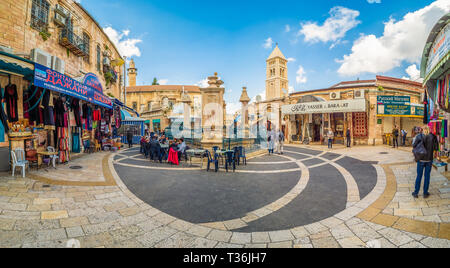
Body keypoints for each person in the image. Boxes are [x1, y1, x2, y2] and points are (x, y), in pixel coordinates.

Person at [412, 126, 438, 199]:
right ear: (429, 129)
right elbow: (436, 148)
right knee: (427, 176)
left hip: (421, 160)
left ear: (422, 130)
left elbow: (414, 146)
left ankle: (416, 192)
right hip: (429, 160)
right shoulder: (433, 136)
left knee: (419, 176)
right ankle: (425, 193)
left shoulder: (419, 136)